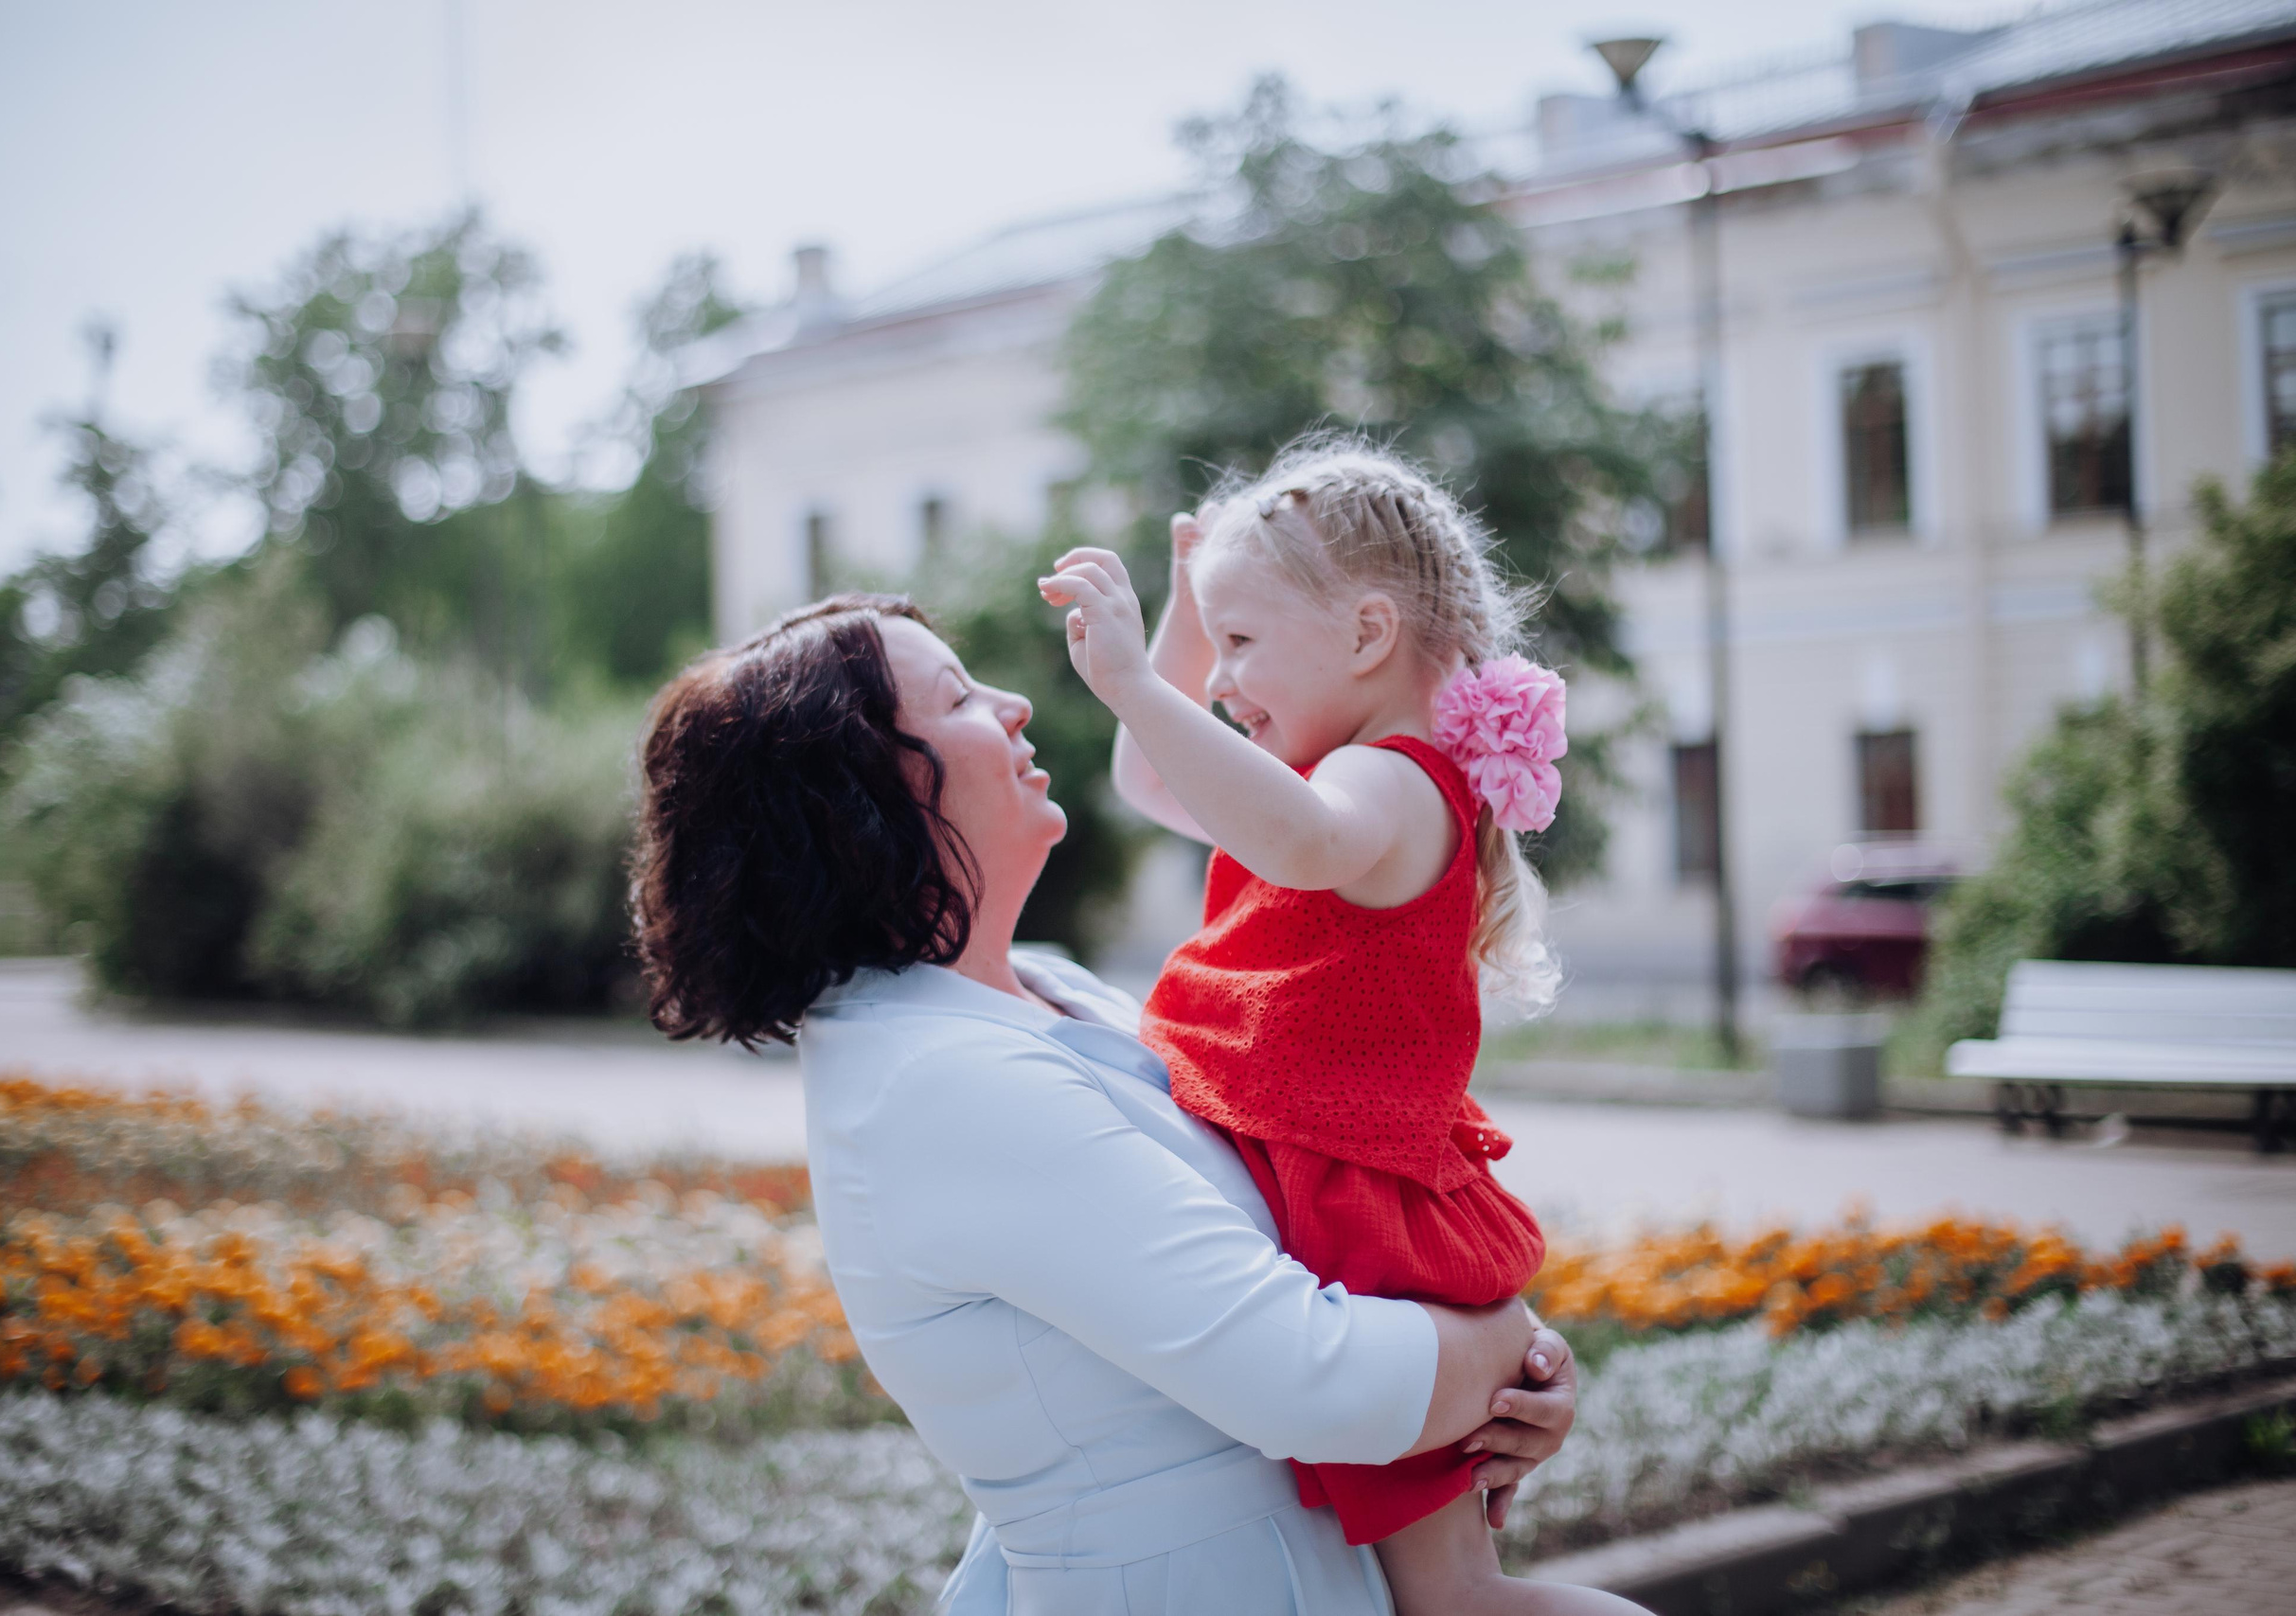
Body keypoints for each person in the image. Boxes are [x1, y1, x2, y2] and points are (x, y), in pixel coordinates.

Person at [631, 595, 1586, 1615]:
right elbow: (1307, 1376)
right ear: (857, 797)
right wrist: (1504, 1345)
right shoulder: (943, 1085)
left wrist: (1516, 1371)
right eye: (957, 698)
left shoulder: (1047, 991)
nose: (1012, 703)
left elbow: (1307, 1222)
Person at [1038, 438, 1640, 1615]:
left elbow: (1298, 840)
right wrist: (1186, 618)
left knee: (1455, 1600)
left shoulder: (1387, 780)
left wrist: (1136, 683)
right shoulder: (1330, 774)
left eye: (1243, 643)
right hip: (1320, 1193)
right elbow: (1157, 781)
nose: (1220, 681)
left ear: (1368, 636)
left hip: (1358, 1227)